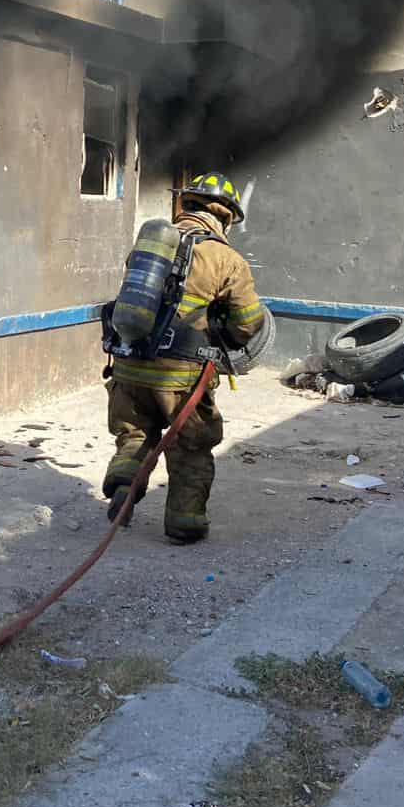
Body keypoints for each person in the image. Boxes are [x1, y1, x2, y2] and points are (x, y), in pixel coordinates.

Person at [101, 172, 266, 544]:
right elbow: (248, 323)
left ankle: (126, 483)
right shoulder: (226, 259)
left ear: (188, 205)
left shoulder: (150, 246)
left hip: (129, 363)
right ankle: (184, 522)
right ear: (225, 216)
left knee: (135, 432)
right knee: (191, 445)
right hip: (181, 375)